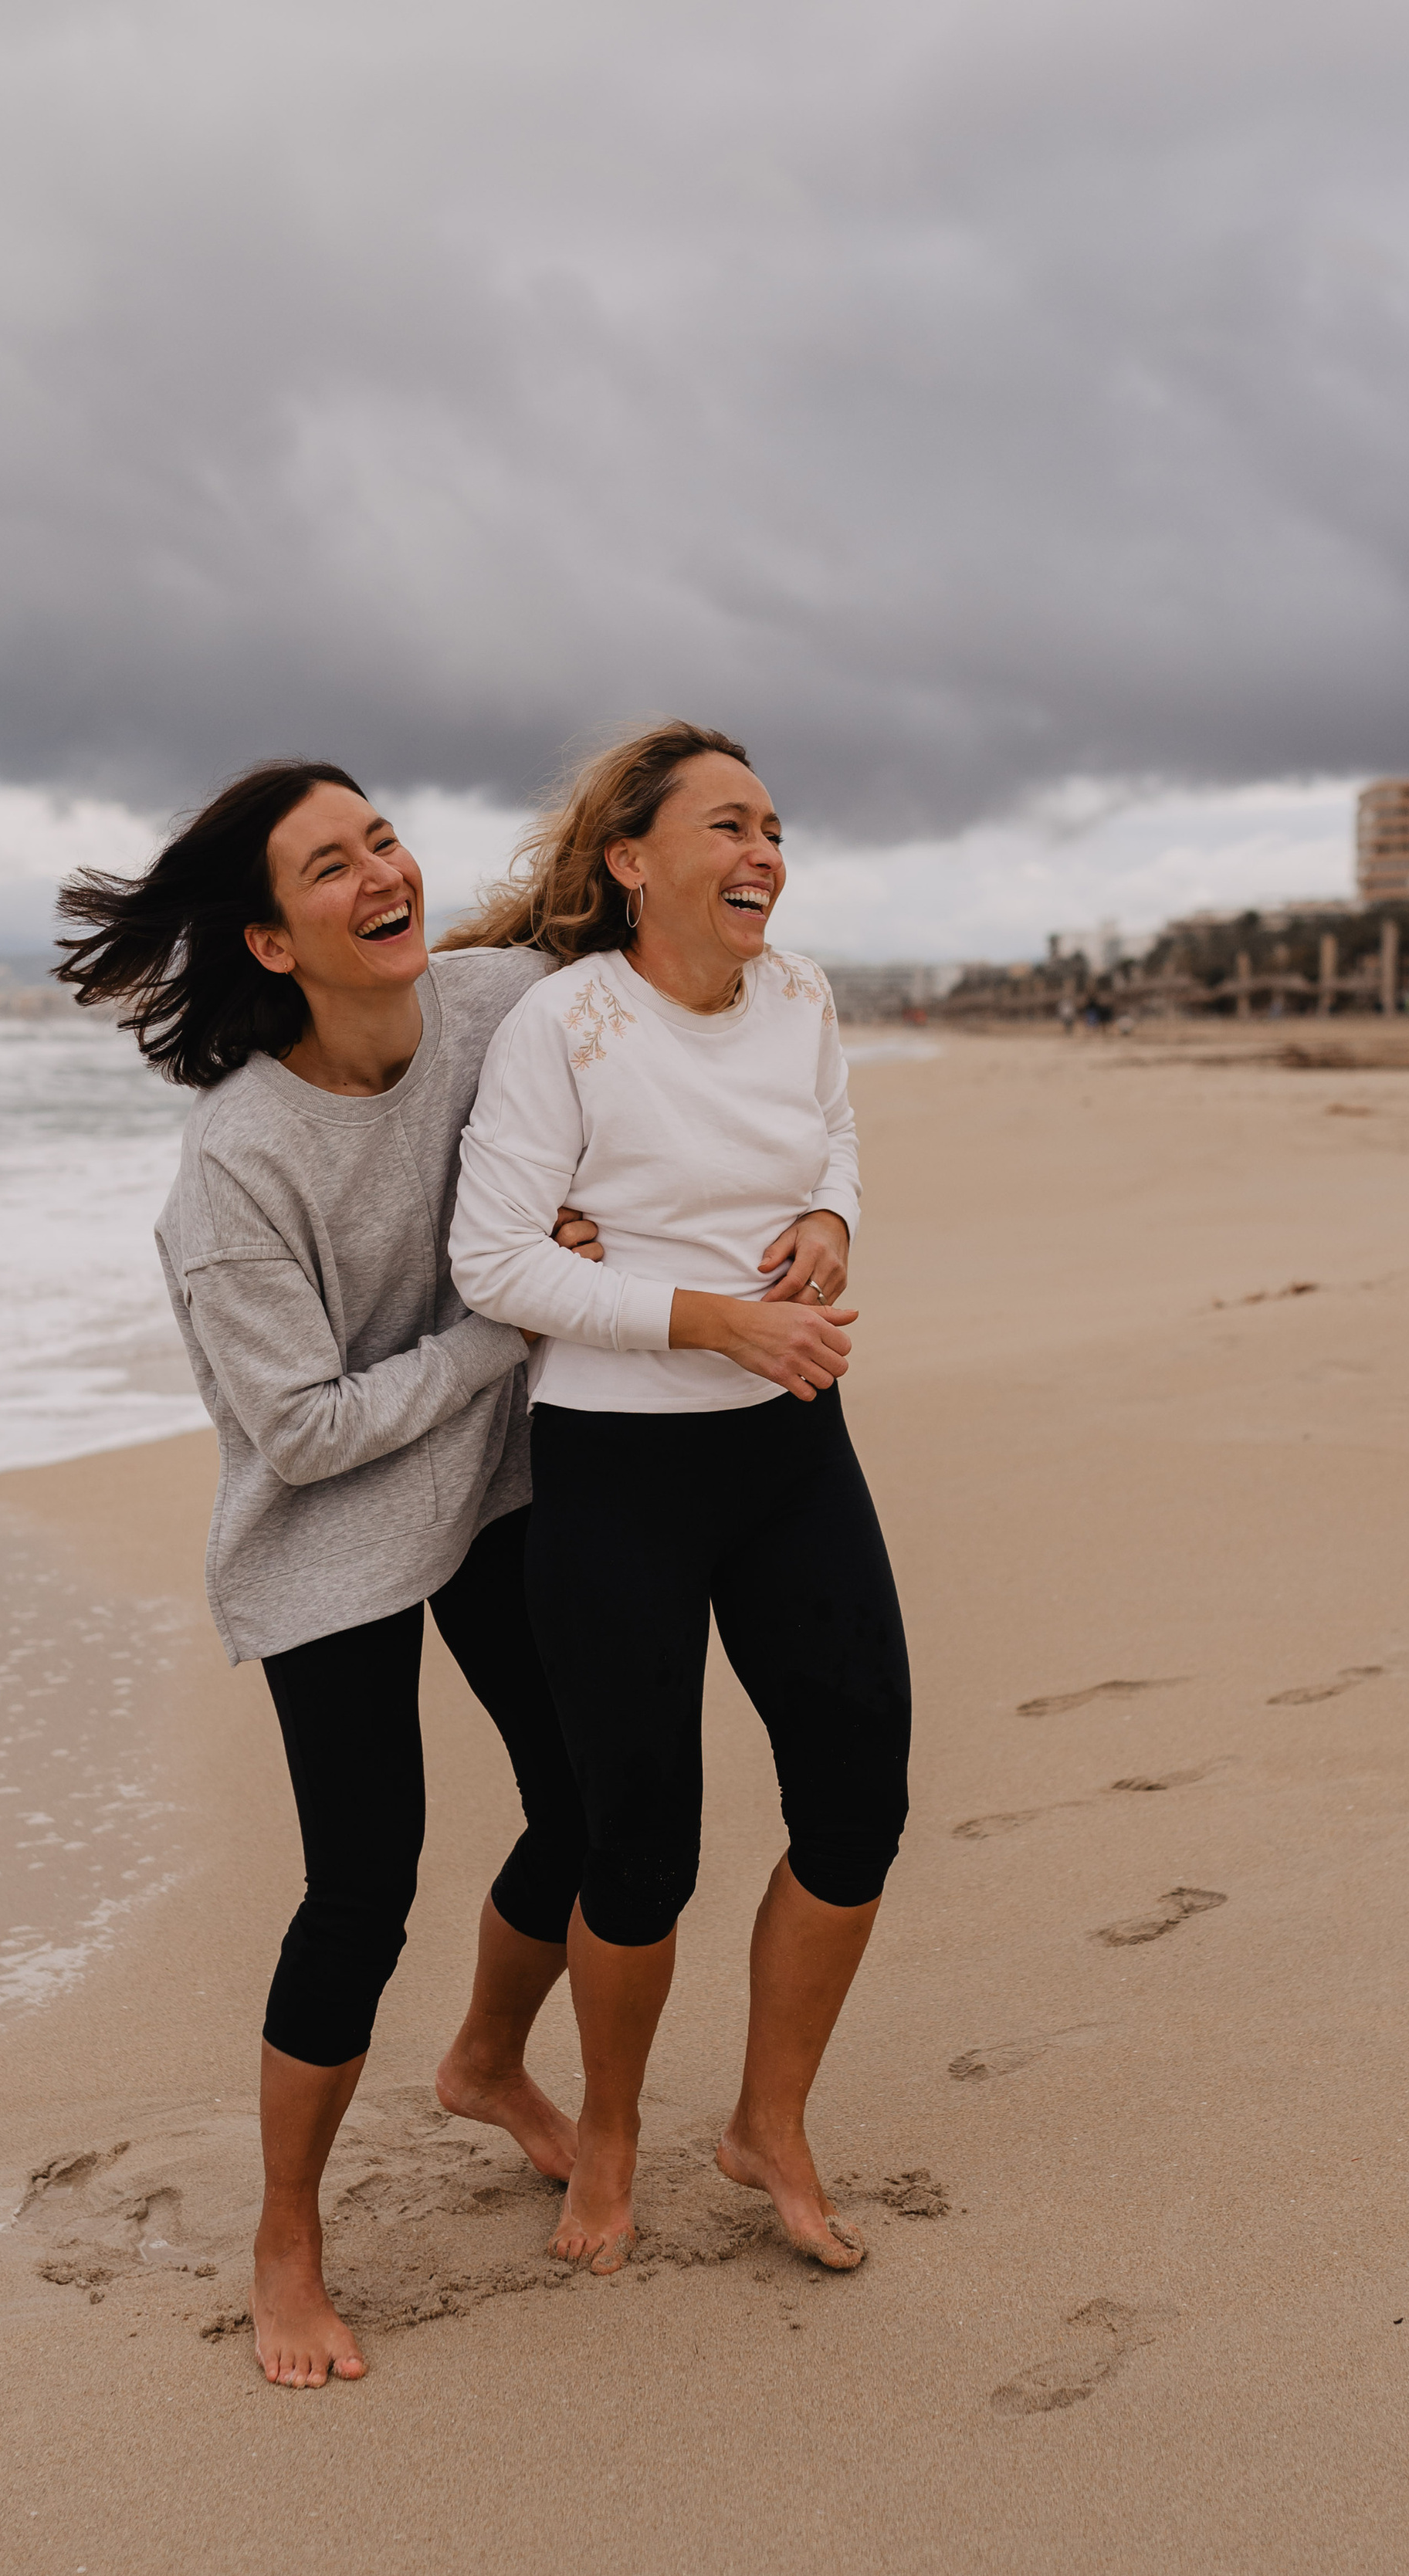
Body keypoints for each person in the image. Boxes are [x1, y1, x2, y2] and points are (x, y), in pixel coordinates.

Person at [56, 761, 596, 2388]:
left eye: (383, 840)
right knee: (362, 1884)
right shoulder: (237, 1166)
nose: (379, 873)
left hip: (489, 1484)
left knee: (591, 1800)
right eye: (328, 865)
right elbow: (294, 1432)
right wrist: (504, 1322)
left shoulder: (493, 1005)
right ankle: (284, 2237)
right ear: (272, 942)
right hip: (330, 1534)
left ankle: (488, 2063)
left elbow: (628, 982)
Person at [446, 723, 911, 2276]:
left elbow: (827, 1138)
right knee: (638, 1847)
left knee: (857, 1799)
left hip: (787, 1448)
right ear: (631, 863)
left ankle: (768, 2124)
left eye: (774, 823)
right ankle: (613, 2138)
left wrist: (830, 1223)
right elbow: (493, 1263)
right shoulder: (564, 1026)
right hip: (616, 1461)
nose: (764, 850)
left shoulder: (796, 996)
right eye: (727, 823)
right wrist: (707, 1317)